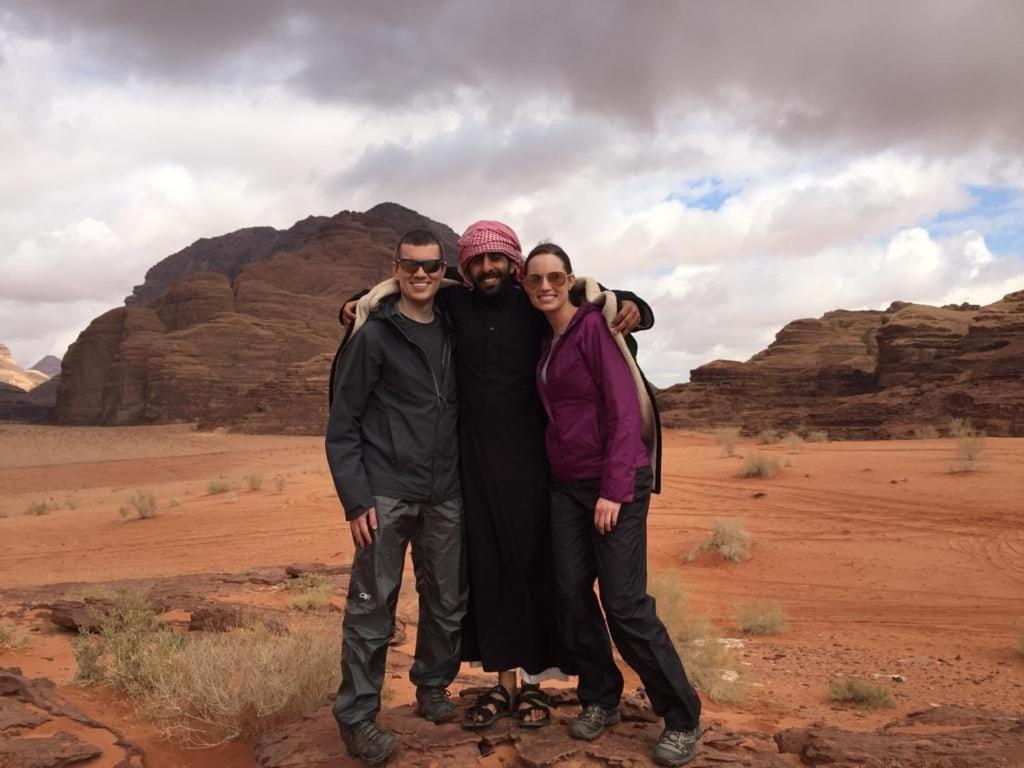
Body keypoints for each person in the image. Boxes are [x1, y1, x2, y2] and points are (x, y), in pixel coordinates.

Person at [339, 220, 652, 728]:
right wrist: (355, 301)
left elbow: (588, 296)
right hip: (472, 470)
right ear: (466, 266)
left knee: (537, 573)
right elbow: (408, 288)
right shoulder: (453, 304)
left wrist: (639, 306)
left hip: (536, 470)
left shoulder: (534, 302)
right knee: (486, 578)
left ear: (514, 263)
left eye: (497, 259)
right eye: (478, 260)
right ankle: (500, 682)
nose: (488, 268)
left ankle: (533, 684)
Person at [523, 242, 702, 767]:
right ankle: (602, 697)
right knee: (571, 593)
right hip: (566, 486)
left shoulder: (594, 328)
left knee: (625, 605)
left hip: (613, 483)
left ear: (571, 278)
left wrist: (614, 489)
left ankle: (682, 716)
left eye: (554, 277)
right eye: (534, 280)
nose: (545, 287)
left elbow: (625, 412)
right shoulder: (547, 340)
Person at [326, 228, 466, 766]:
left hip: (445, 492)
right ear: (396, 268)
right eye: (411, 266)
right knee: (372, 608)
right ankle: (358, 719)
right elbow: (343, 426)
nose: (422, 275)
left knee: (448, 601)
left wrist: (634, 308)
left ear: (443, 269)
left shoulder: (457, 328)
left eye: (431, 266)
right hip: (385, 494)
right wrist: (355, 499)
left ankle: (432, 687)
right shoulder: (376, 336)